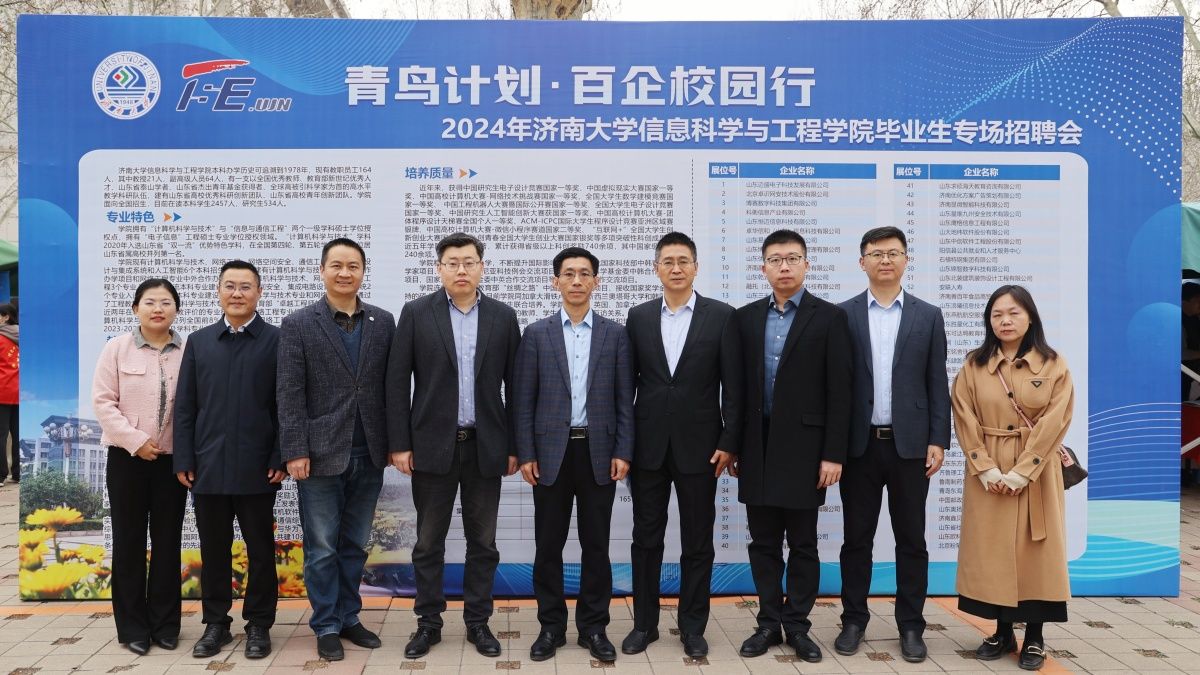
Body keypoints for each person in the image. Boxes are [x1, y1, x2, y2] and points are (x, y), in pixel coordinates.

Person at [385, 232, 521, 659]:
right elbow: (396, 383)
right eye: (452, 263)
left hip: (486, 446)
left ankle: (478, 622)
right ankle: (428, 623)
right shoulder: (416, 313)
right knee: (429, 542)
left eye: (469, 262)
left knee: (484, 543)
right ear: (439, 268)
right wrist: (400, 443)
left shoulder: (503, 316)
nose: (461, 270)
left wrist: (515, 445)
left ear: (482, 266)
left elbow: (517, 386)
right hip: (431, 447)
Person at [725, 229, 852, 663]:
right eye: (776, 259)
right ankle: (767, 623)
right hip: (756, 448)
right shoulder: (744, 319)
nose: (784, 266)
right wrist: (733, 445)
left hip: (806, 450)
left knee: (802, 544)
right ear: (763, 267)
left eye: (792, 258)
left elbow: (840, 392)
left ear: (806, 264)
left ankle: (797, 625)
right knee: (762, 543)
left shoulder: (830, 318)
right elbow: (735, 389)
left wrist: (833, 454)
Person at [513, 247, 634, 663]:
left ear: (596, 282)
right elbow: (522, 400)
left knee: (596, 545)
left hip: (599, 452)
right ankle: (550, 627)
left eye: (585, 273)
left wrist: (623, 450)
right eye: (569, 274)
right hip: (550, 454)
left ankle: (594, 627)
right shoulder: (536, 334)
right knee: (548, 545)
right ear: (556, 282)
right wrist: (526, 452)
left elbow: (625, 400)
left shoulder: (615, 335)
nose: (577, 280)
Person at [835, 227, 951, 663]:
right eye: (876, 253)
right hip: (859, 446)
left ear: (906, 259)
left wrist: (938, 438)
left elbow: (937, 382)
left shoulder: (928, 316)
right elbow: (836, 387)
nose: (885, 260)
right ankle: (853, 619)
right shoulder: (842, 315)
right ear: (861, 261)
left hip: (911, 448)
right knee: (856, 539)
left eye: (893, 253)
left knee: (912, 540)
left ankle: (911, 626)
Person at [277, 238, 395, 662]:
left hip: (370, 452)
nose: (345, 273)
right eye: (337, 265)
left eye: (353, 266)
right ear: (322, 270)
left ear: (363, 271)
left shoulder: (383, 322)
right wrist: (296, 449)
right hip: (319, 454)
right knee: (322, 547)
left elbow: (391, 388)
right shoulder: (298, 323)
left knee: (355, 545)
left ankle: (349, 618)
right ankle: (326, 624)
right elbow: (289, 393)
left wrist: (395, 444)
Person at [621, 231, 738, 659]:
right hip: (648, 447)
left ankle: (692, 626)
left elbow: (733, 386)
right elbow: (625, 387)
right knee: (645, 539)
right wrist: (625, 444)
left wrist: (729, 440)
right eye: (668, 261)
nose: (676, 268)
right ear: (656, 269)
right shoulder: (638, 317)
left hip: (701, 447)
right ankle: (644, 625)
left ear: (695, 267)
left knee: (697, 542)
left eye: (683, 261)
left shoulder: (721, 316)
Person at [951, 285, 1074, 671]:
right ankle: (1002, 631)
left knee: (1036, 554)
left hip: (1036, 474)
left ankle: (1035, 636)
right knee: (992, 552)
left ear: (1030, 317)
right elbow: (963, 414)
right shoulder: (974, 365)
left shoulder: (1053, 364)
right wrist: (985, 467)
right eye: (997, 314)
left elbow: (1056, 420)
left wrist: (1022, 472)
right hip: (988, 473)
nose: (1005, 321)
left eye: (1013, 313)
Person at [173, 261, 285, 660]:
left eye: (245, 287)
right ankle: (216, 623)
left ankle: (259, 624)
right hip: (208, 466)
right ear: (219, 291)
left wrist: (280, 456)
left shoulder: (277, 340)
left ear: (259, 292)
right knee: (214, 550)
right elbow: (186, 406)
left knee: (261, 550)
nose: (237, 293)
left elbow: (285, 405)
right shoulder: (200, 341)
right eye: (230, 286)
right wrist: (184, 458)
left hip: (259, 468)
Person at [92, 278, 188, 656]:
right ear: (136, 309)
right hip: (127, 460)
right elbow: (103, 402)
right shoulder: (117, 348)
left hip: (171, 462)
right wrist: (136, 441)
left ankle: (165, 625)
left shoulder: (189, 351)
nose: (157, 309)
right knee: (129, 542)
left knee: (167, 543)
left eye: (166, 302)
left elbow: (195, 406)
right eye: (149, 302)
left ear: (176, 309)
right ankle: (132, 627)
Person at [0, 304, 18, 486]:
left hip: (2, 391)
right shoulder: (23, 336)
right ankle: (18, 474)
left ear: (6, 317)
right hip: (22, 392)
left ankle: (1, 475)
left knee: (1, 435)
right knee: (17, 432)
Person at [1181, 283, 1200, 400]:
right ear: (1185, 301)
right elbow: (1181, 353)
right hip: (1183, 376)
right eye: (1197, 300)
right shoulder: (1176, 321)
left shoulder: (1195, 318)